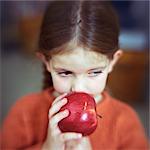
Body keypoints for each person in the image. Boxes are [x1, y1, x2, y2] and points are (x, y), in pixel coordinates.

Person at [1, 1, 148, 150]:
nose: (78, 88)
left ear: (112, 62)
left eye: (94, 72)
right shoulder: (24, 112)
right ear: (46, 62)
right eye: (65, 72)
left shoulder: (125, 121)